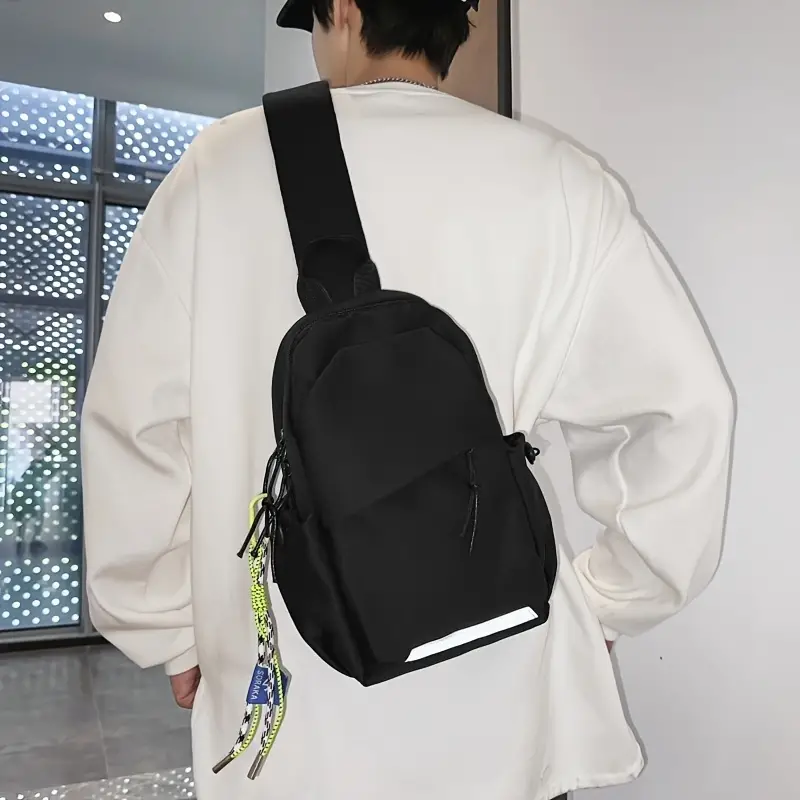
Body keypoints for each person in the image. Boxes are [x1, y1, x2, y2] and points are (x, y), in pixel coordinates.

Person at [80, 0, 735, 798]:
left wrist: (167, 625)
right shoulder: (561, 180)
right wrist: (607, 600)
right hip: (502, 686)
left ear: (342, 9)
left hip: (297, 699)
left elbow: (137, 427)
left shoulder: (220, 167)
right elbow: (677, 416)